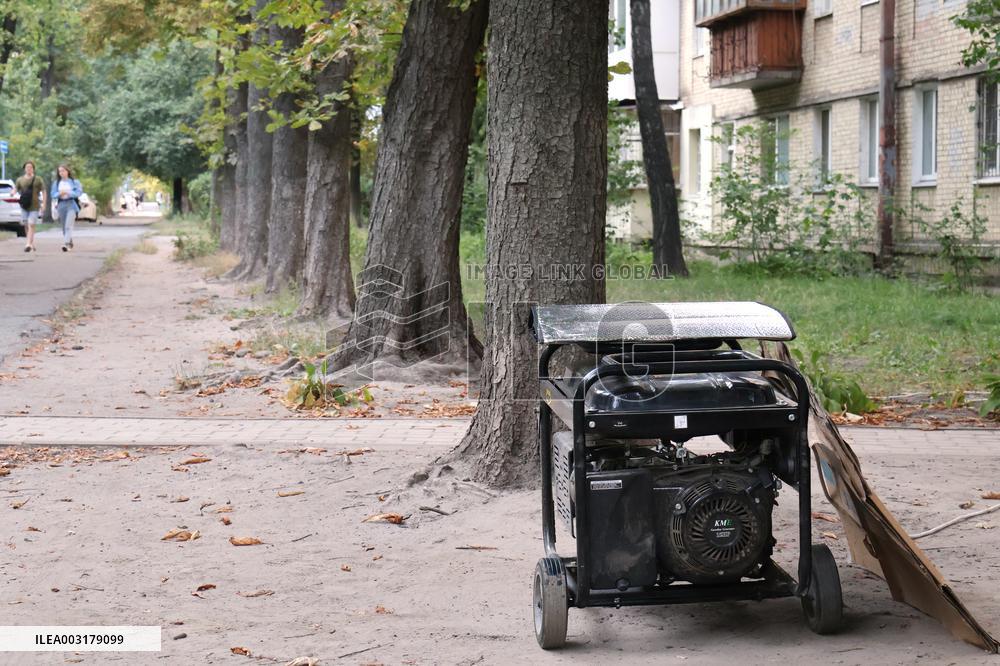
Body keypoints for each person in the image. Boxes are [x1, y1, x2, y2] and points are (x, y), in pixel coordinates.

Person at [14, 161, 46, 253]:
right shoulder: (20, 180)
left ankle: (28, 244)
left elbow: (44, 191)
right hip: (24, 205)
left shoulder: (38, 179)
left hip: (35, 205)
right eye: (27, 167)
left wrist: (44, 204)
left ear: (33, 169)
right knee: (26, 224)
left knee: (31, 224)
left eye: (31, 167)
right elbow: (16, 188)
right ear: (24, 169)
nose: (29, 169)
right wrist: (13, 192)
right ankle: (31, 243)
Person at [50, 164, 82, 252]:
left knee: (69, 225)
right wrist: (59, 194)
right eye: (60, 171)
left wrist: (68, 193)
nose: (61, 173)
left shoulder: (74, 182)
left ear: (67, 171)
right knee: (64, 226)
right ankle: (69, 242)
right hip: (61, 205)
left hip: (71, 204)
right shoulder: (56, 183)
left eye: (63, 171)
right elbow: (53, 194)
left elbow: (78, 192)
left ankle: (66, 243)